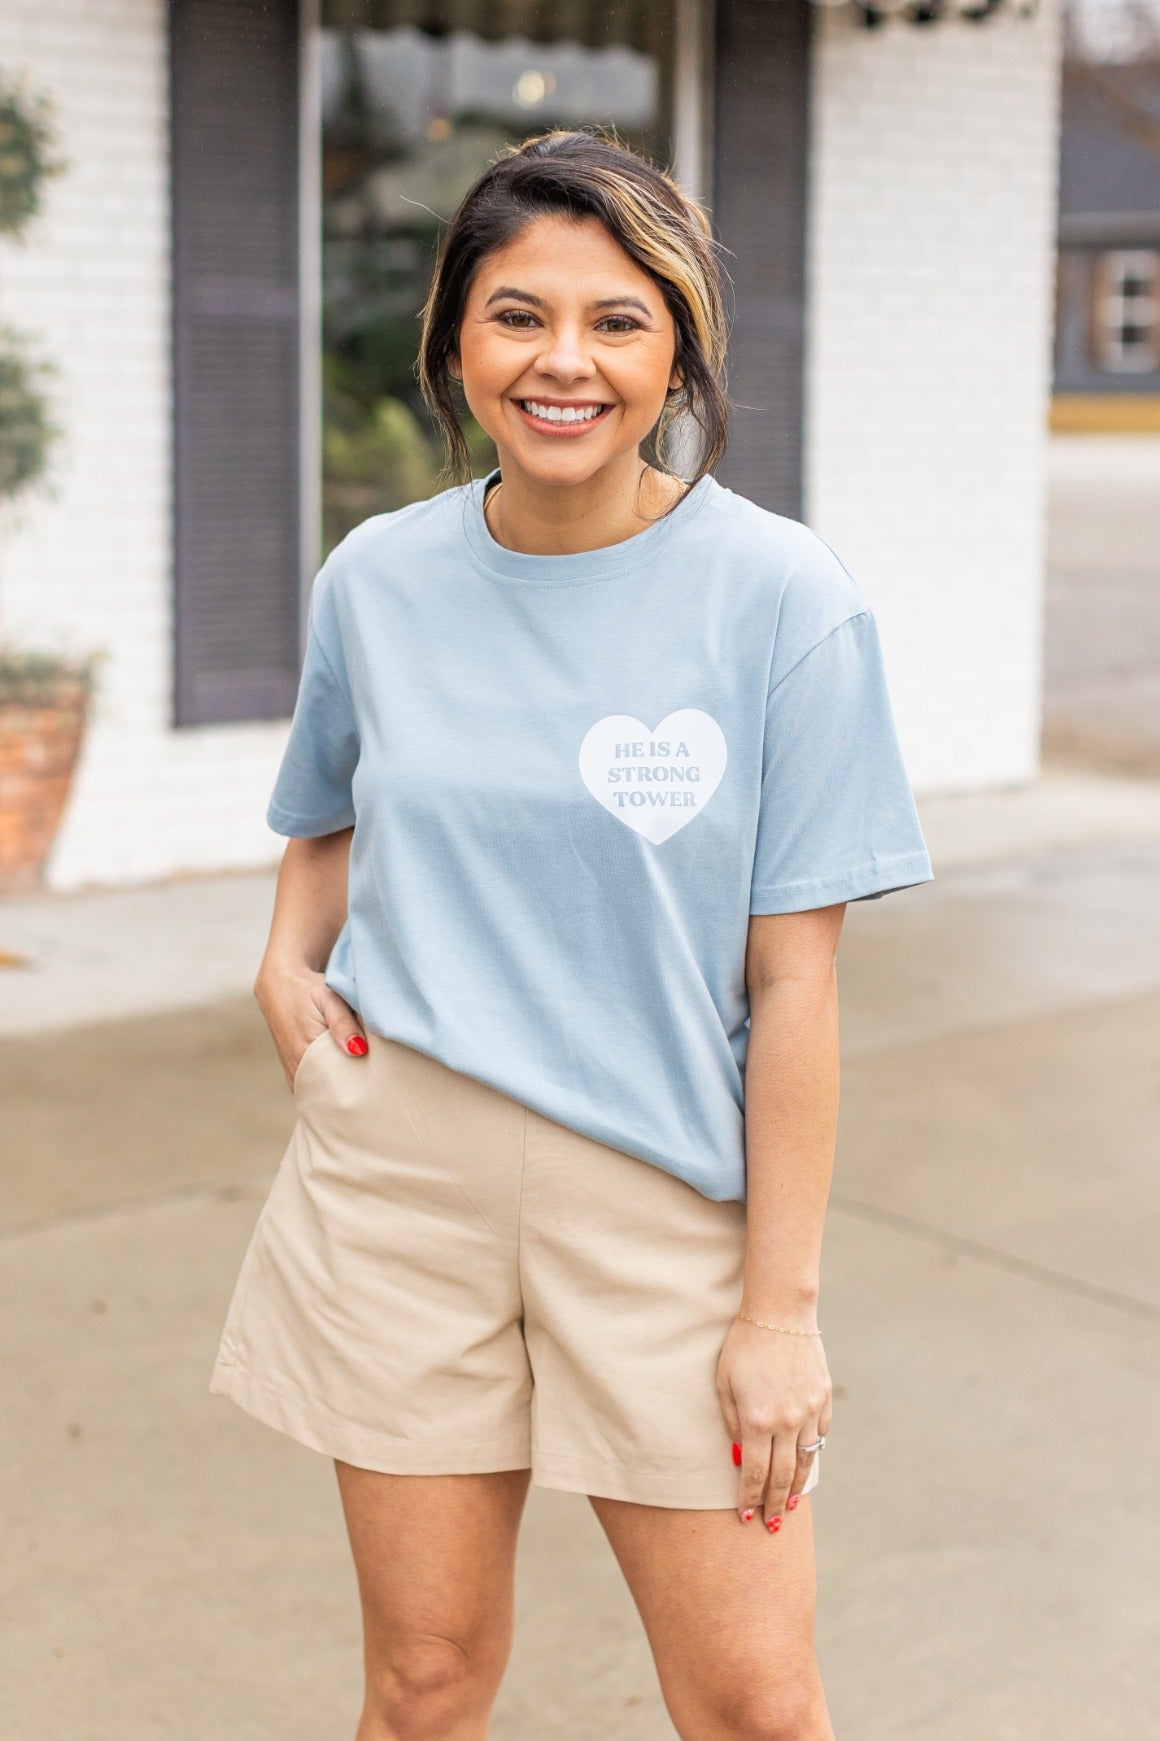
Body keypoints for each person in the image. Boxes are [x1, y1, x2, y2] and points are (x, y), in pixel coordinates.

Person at [211, 128, 933, 1741]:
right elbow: (325, 795)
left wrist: (778, 1310)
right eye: (518, 314)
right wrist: (284, 952)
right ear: (456, 346)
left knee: (756, 1702)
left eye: (617, 320)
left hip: (667, 1201)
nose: (565, 361)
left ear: (676, 346)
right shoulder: (376, 580)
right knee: (423, 1683)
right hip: (401, 1185)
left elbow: (796, 981)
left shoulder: (781, 598)